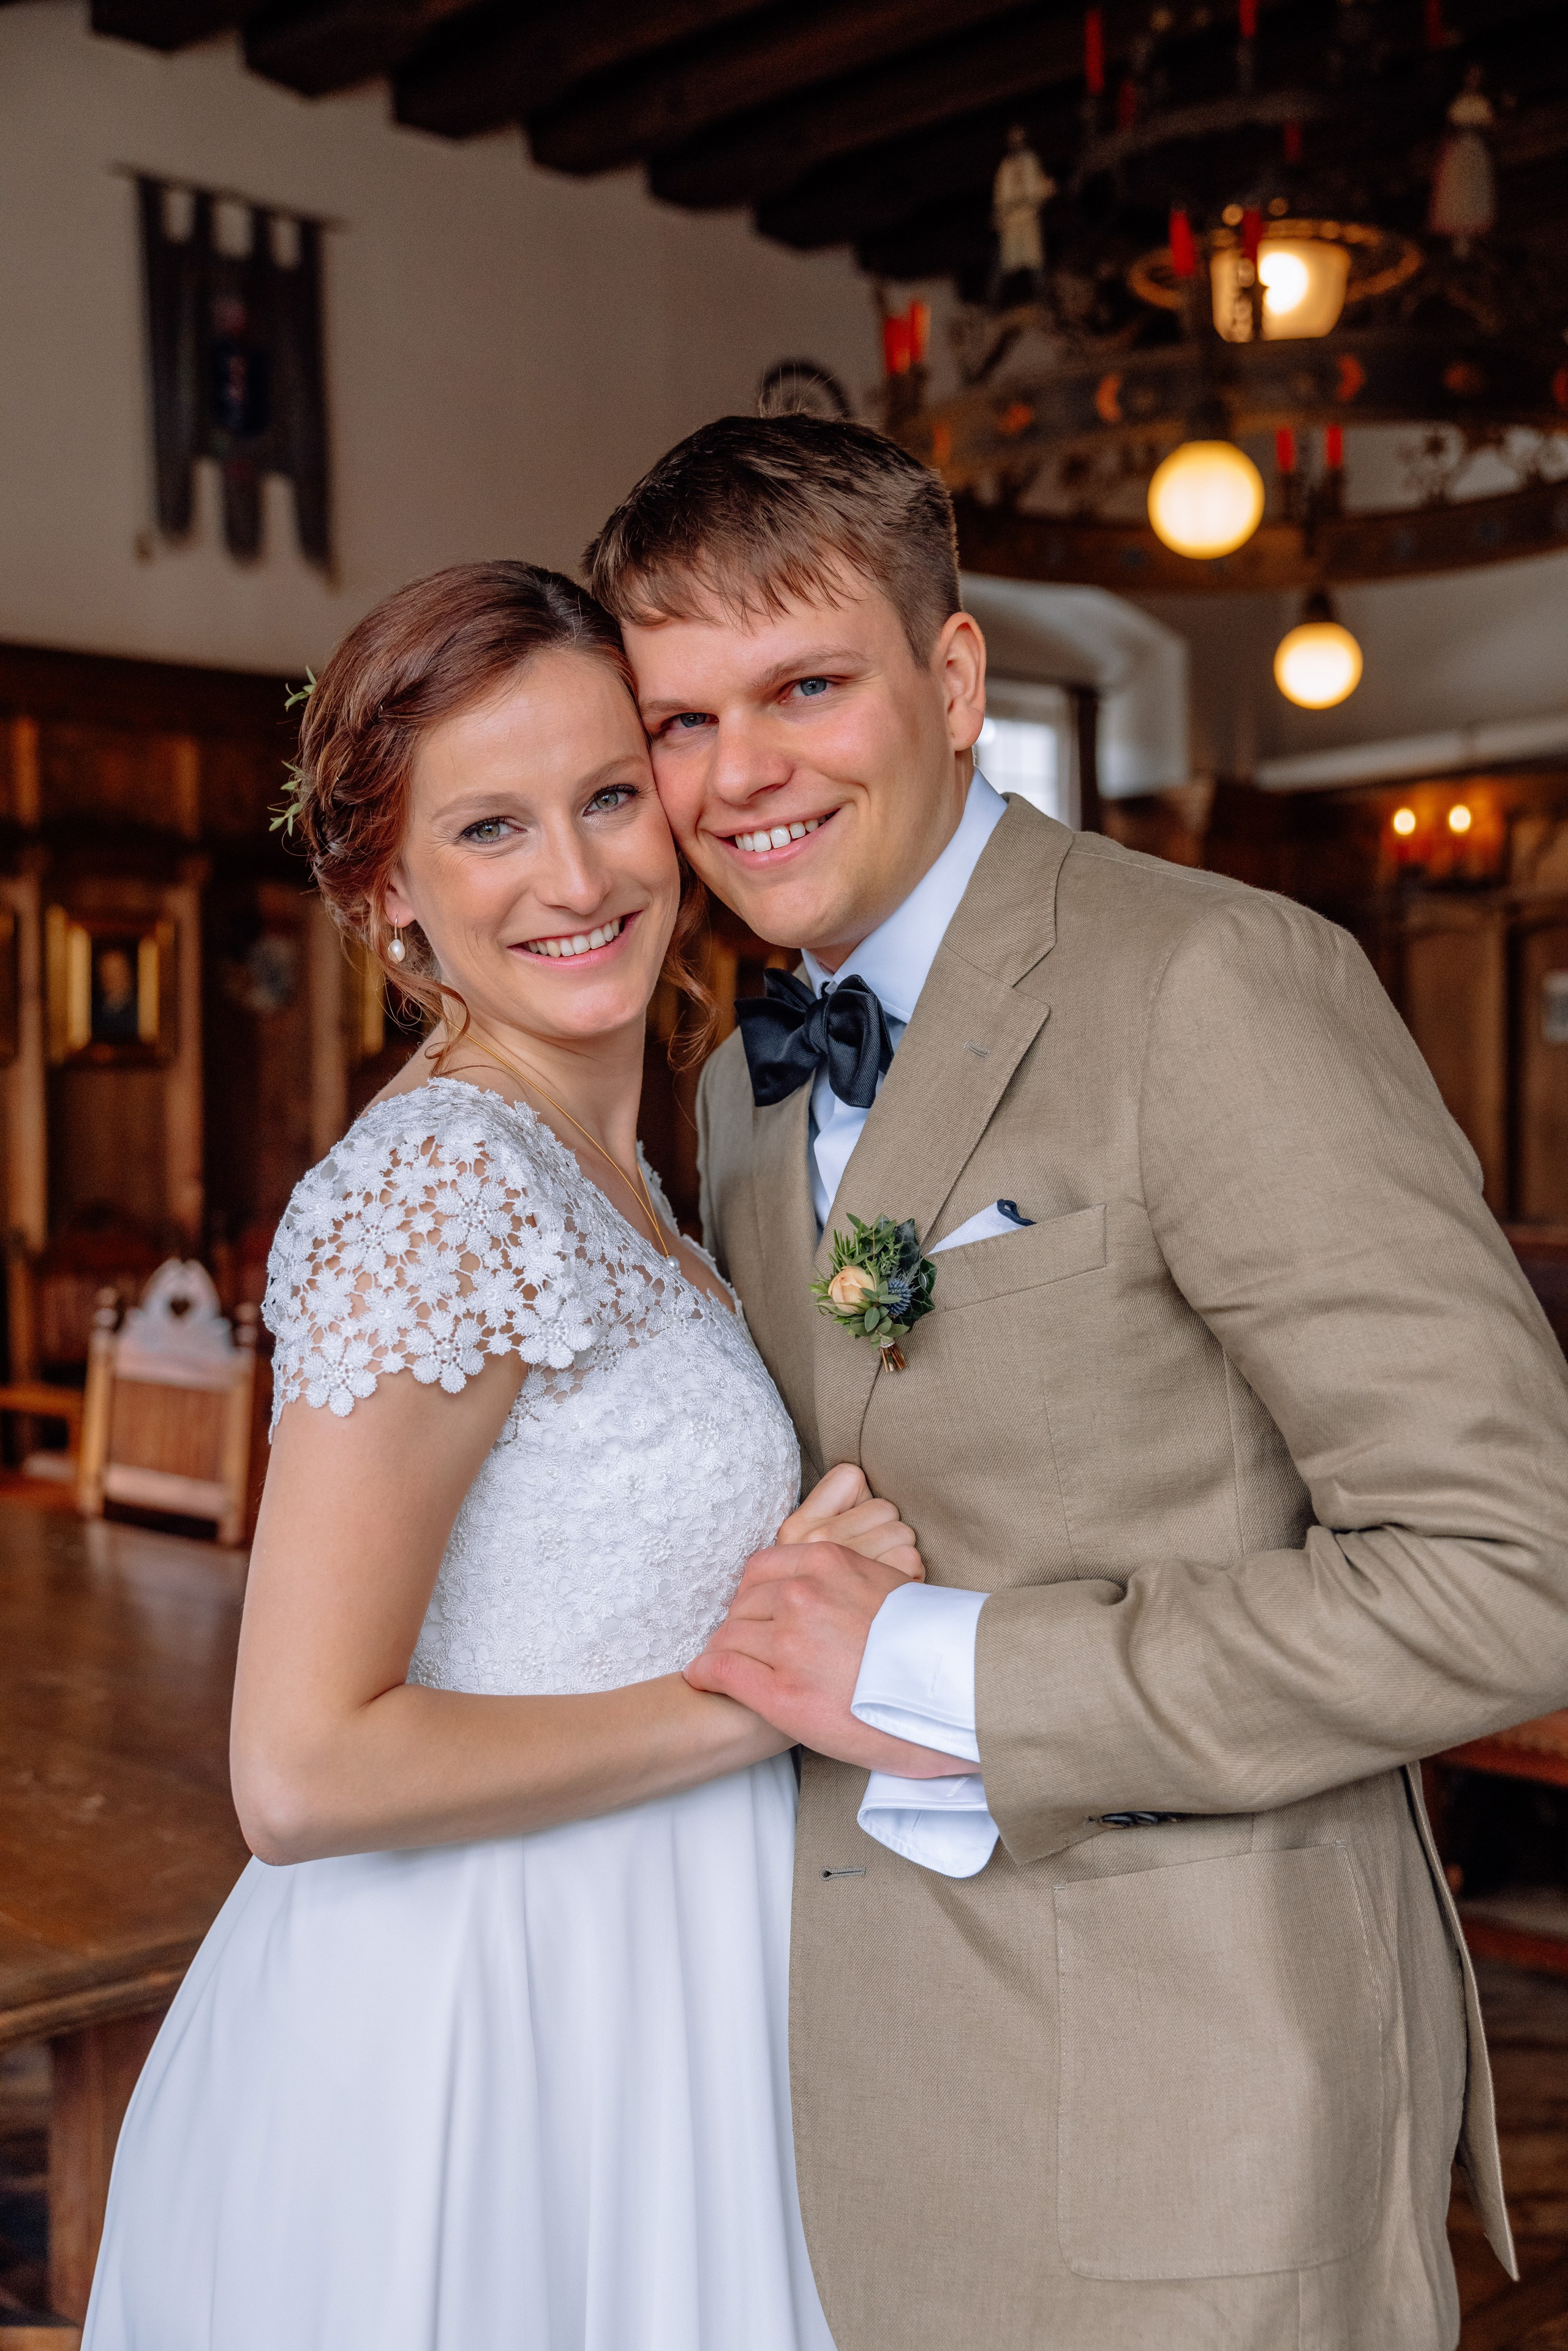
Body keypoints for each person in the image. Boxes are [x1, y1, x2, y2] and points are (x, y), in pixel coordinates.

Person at [584, 412, 1568, 2351]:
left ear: (954, 682)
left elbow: (1515, 1567)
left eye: (803, 687)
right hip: (824, 2090)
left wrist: (936, 1668)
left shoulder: (1213, 985)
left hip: (1190, 2112)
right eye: (679, 721)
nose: (738, 773)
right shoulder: (729, 1081)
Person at [83, 560, 942, 2350]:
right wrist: (767, 1697)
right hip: (487, 2027)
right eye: (491, 828)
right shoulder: (444, 1186)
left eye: (611, 795)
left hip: (666, 1977)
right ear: (388, 889)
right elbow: (300, 1774)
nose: (579, 877)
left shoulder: (635, 1163)